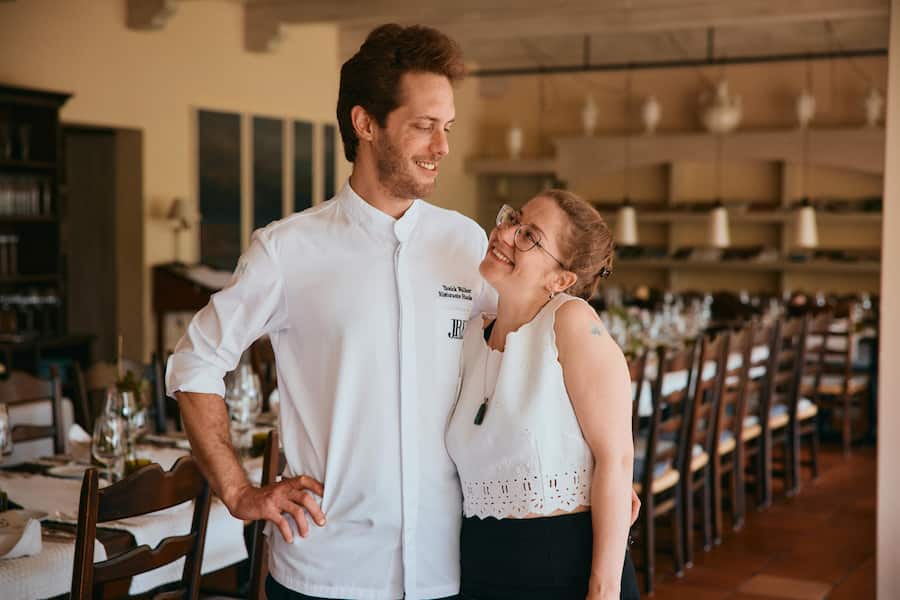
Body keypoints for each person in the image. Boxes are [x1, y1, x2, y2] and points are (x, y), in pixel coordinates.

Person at [166, 24, 498, 600]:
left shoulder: (466, 244)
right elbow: (195, 361)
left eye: (445, 128)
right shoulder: (288, 250)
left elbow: (518, 364)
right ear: (365, 124)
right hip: (327, 568)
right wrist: (240, 492)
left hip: (450, 563)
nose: (442, 147)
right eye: (423, 126)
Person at [446, 191, 640, 600]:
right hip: (478, 565)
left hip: (560, 565)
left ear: (561, 279)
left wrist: (603, 590)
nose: (505, 232)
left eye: (529, 236)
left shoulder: (571, 322)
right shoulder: (469, 338)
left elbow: (617, 458)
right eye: (513, 219)